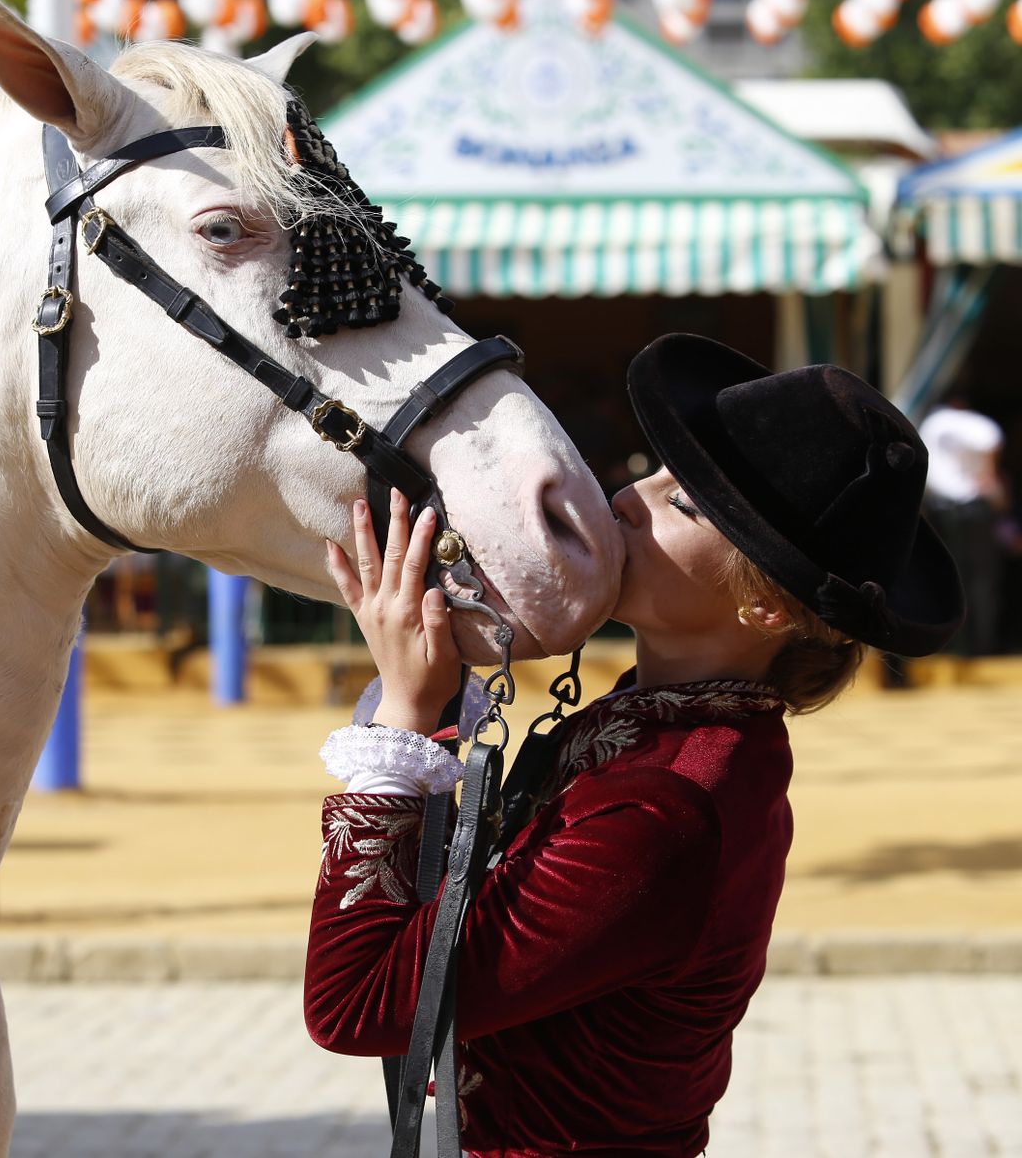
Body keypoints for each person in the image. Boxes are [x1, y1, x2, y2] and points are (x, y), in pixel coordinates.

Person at [304, 334, 964, 1156]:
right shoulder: (681, 727)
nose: (622, 500)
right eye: (651, 469)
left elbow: (355, 1003)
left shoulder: (671, 804)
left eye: (680, 503)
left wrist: (404, 713)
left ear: (766, 604)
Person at [919, 395, 1005, 657]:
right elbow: (992, 441)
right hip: (974, 507)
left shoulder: (933, 423)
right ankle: (980, 648)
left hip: (942, 510)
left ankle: (953, 647)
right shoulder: (975, 423)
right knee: (981, 579)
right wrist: (989, 475)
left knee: (949, 578)